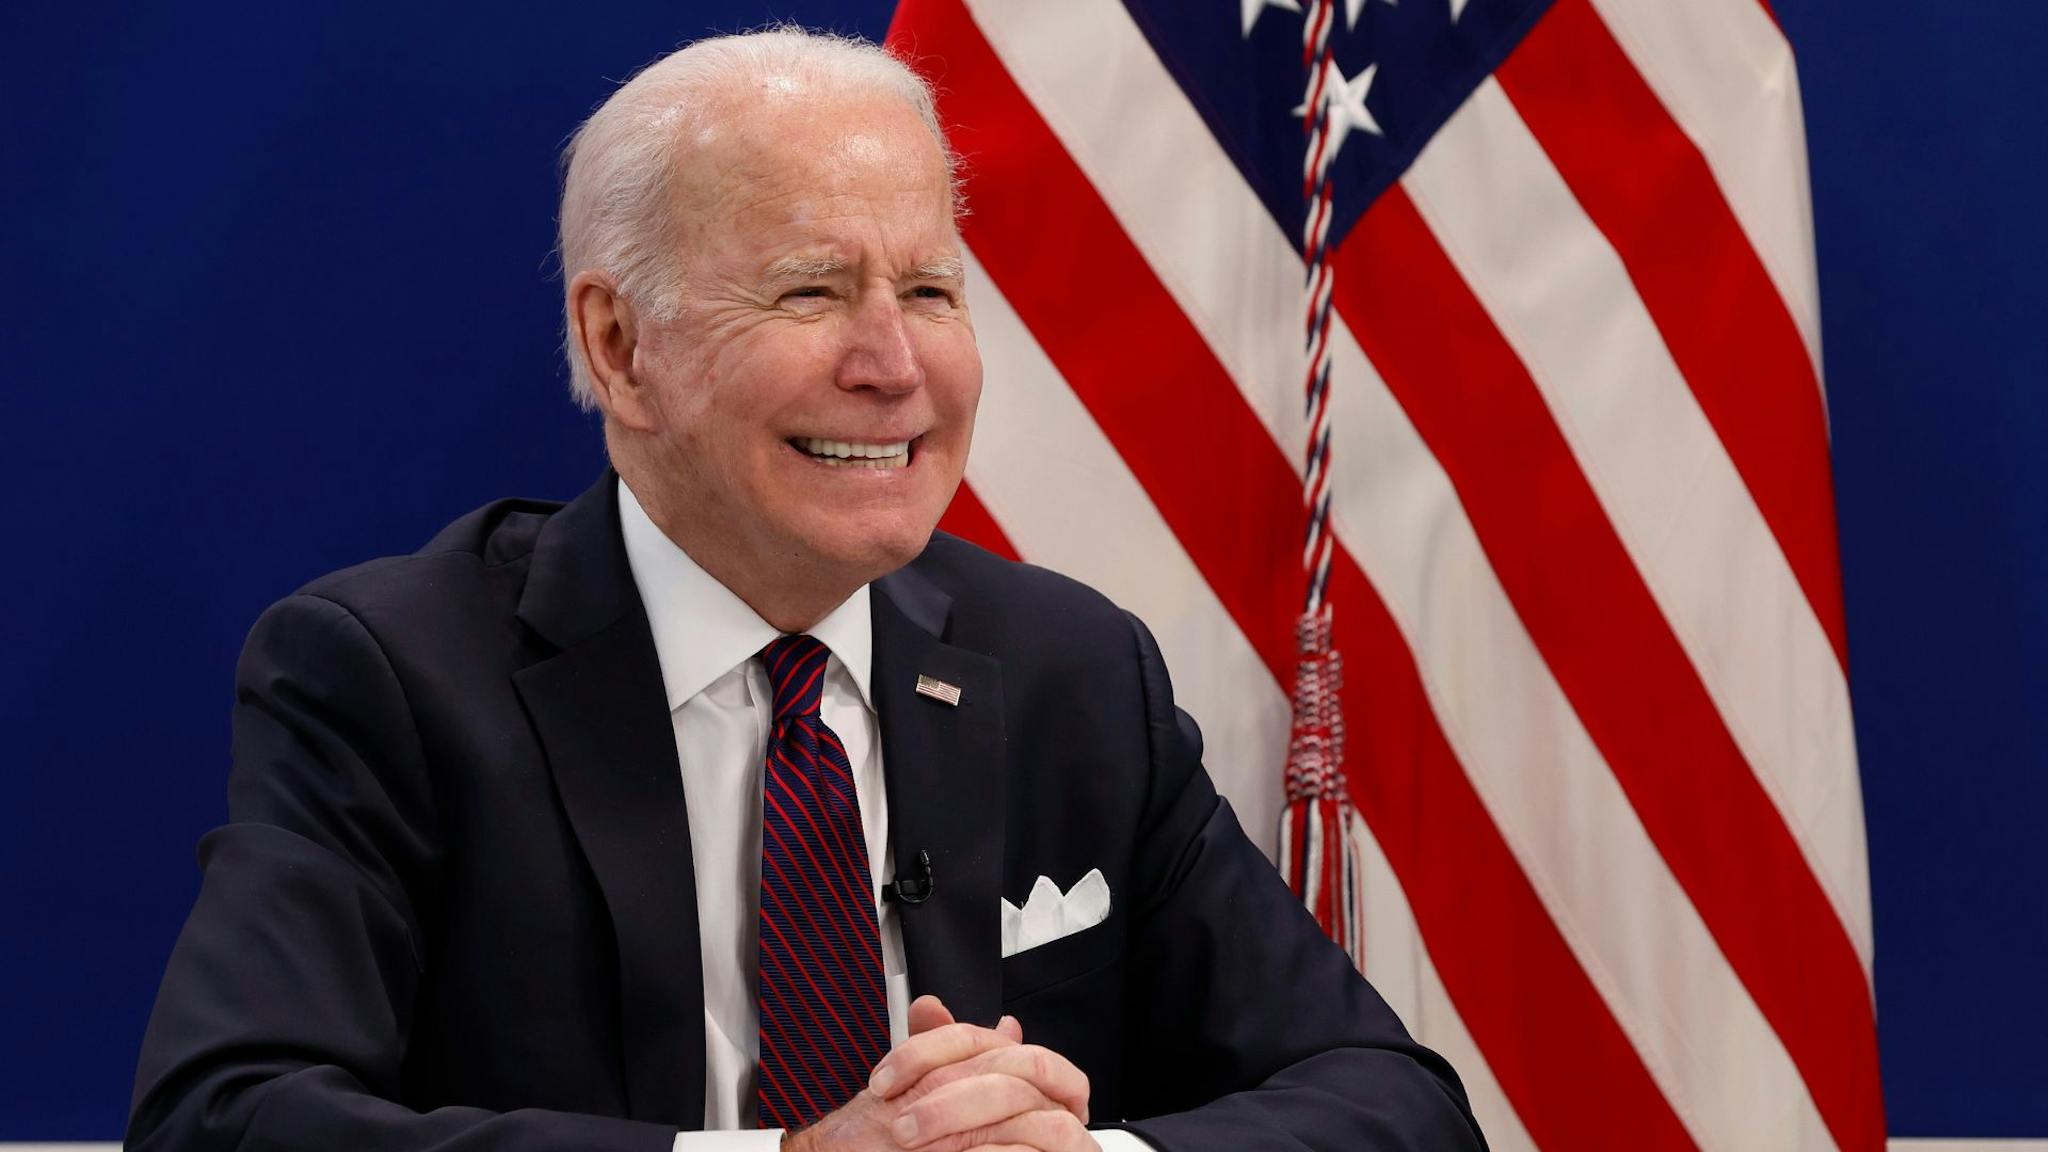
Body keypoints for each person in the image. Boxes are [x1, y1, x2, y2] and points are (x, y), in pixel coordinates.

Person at [128, 27, 1484, 1152]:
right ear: (620, 347)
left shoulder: (1072, 670)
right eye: (810, 292)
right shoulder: (392, 675)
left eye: (933, 290)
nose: (895, 364)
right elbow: (224, 1121)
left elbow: (1397, 1107)